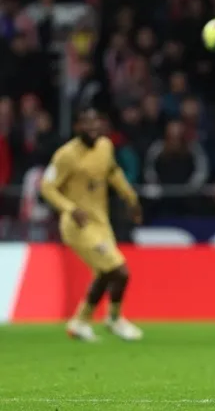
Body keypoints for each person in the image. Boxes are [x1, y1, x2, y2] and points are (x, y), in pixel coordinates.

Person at [40, 108, 143, 342]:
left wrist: (131, 198)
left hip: (100, 222)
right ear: (77, 127)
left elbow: (113, 172)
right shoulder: (65, 155)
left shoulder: (105, 146)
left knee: (106, 273)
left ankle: (80, 322)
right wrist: (69, 208)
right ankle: (113, 319)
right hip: (78, 226)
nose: (93, 127)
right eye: (87, 123)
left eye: (96, 122)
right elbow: (47, 187)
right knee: (119, 270)